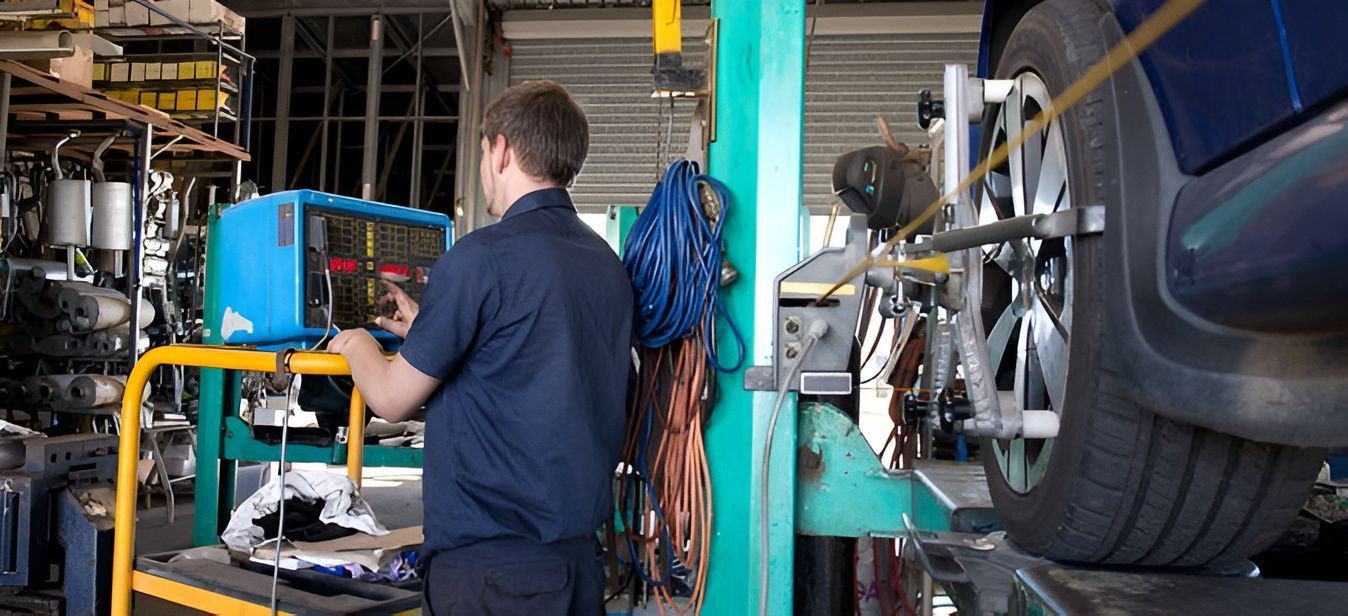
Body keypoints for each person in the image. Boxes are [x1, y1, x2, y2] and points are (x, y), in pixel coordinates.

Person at [328, 80, 633, 615]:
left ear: (503, 150)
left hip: (490, 574)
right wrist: (430, 328)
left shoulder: (479, 258)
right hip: (578, 565)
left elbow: (392, 399)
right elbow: (530, 356)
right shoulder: (605, 264)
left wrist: (356, 347)